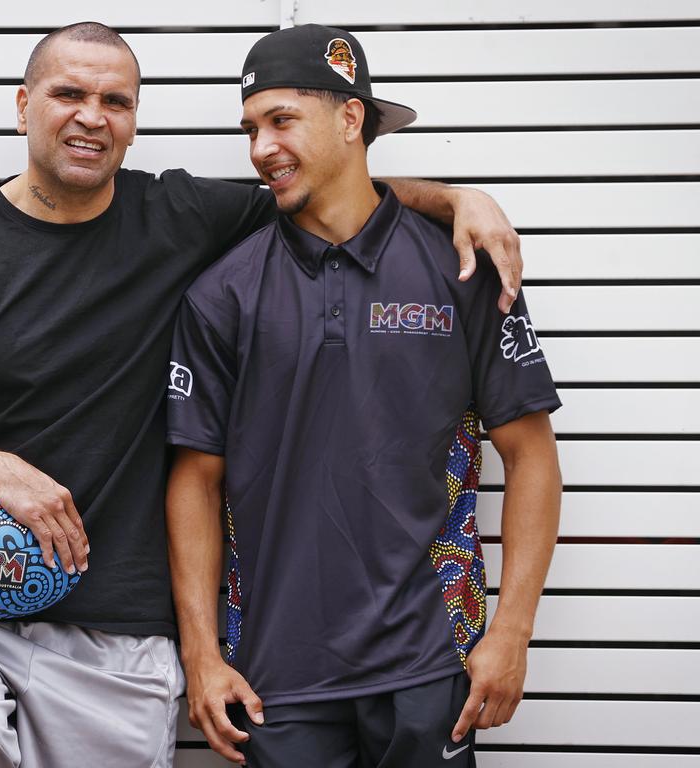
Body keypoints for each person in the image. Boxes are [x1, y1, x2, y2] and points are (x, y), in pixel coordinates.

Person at [0, 21, 528, 768]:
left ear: (134, 123)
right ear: (22, 106)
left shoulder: (179, 220)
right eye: (68, 93)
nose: (91, 115)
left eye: (115, 100)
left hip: (120, 626)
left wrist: (459, 198)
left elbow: (334, 194)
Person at [165, 24, 562, 768]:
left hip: (428, 662)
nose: (259, 149)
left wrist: (510, 631)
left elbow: (531, 454)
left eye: (282, 121)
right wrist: (201, 654)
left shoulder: (461, 271)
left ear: (352, 119)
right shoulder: (221, 293)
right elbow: (195, 478)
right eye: (251, 128)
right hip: (274, 676)